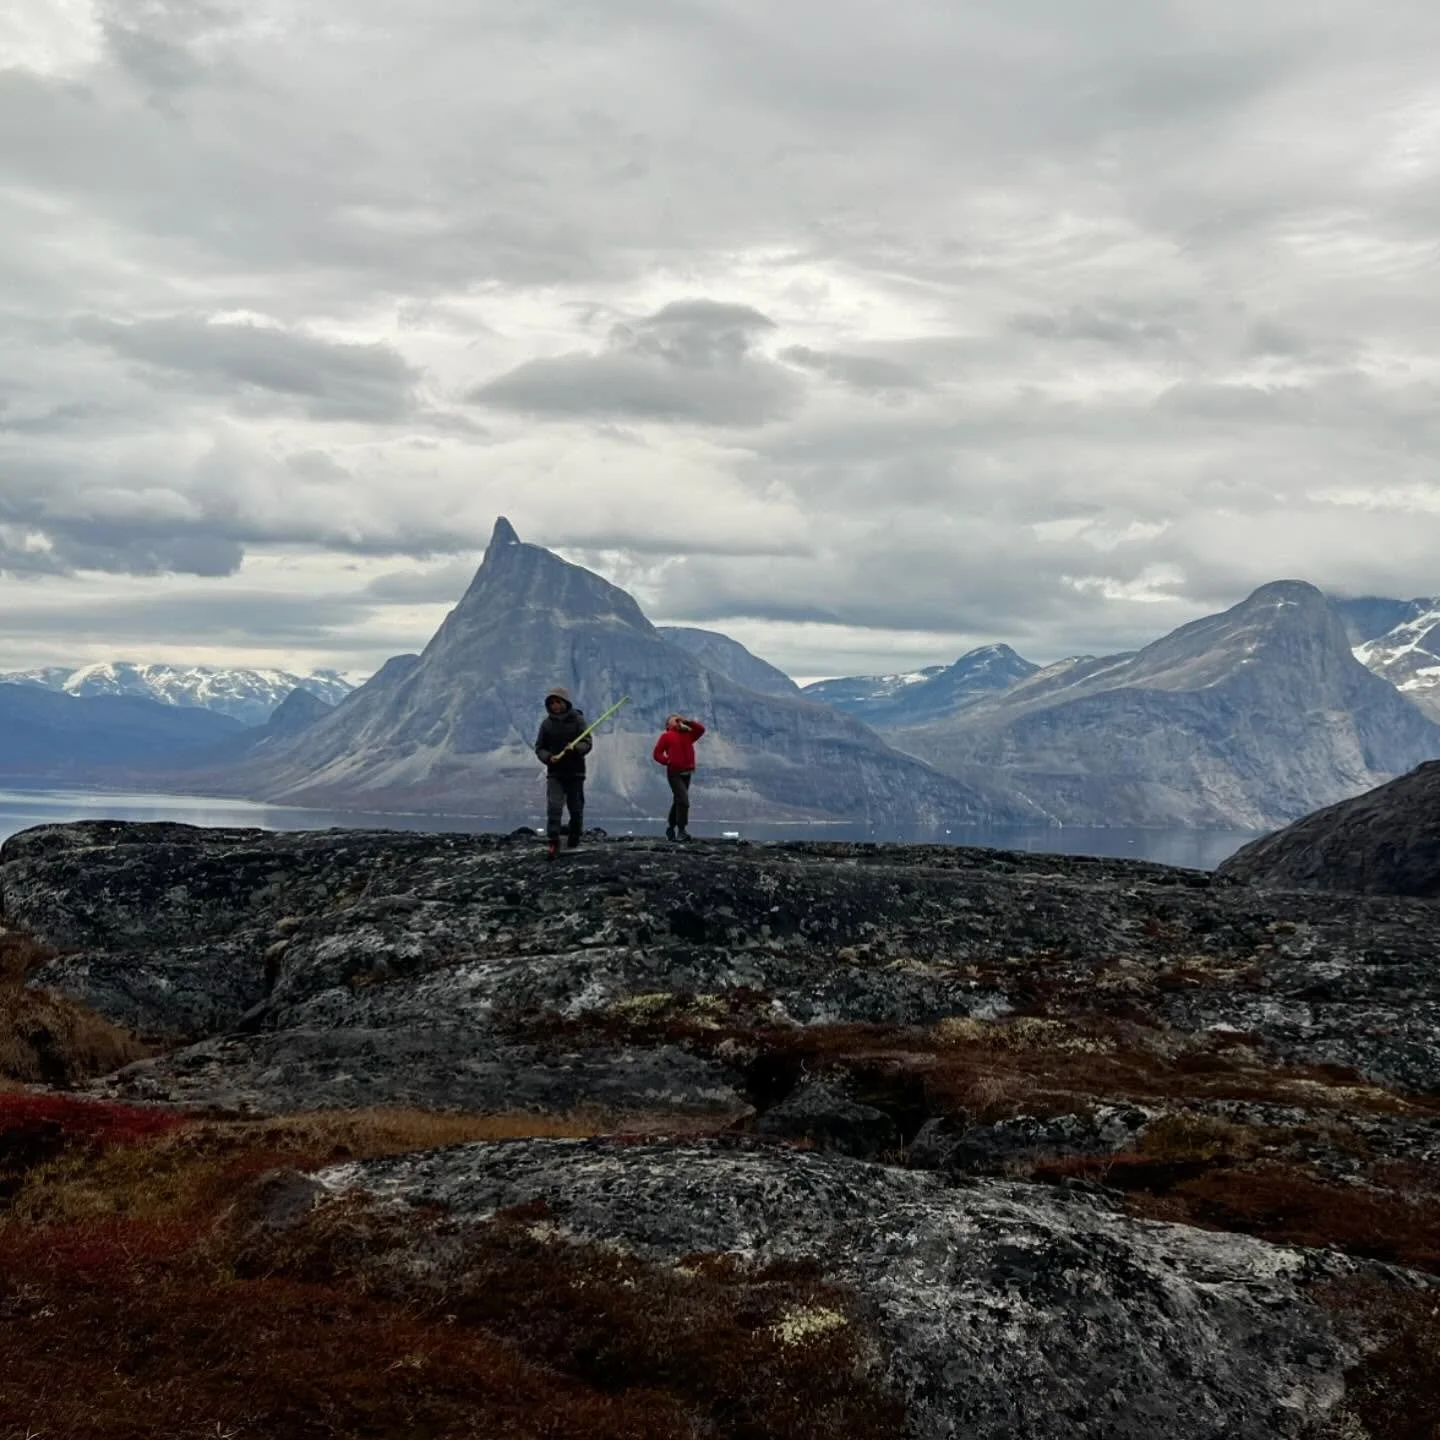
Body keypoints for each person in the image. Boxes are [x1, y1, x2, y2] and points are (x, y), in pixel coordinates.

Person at [535, 686, 591, 857]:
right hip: (555, 773)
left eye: (558, 702)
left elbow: (587, 742)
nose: (555, 706)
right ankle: (553, 841)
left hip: (575, 772)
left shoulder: (578, 720)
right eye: (552, 703)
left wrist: (575, 749)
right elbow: (540, 748)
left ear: (565, 703)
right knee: (554, 806)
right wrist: (548, 757)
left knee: (575, 808)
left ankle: (574, 837)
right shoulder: (546, 724)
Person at [653, 712, 706, 841]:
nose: (677, 721)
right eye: (674, 720)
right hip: (674, 773)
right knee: (683, 801)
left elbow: (701, 729)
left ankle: (671, 828)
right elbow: (657, 753)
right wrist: (667, 761)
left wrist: (687, 721)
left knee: (678, 800)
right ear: (668, 724)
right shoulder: (666, 736)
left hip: (687, 772)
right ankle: (681, 830)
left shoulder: (688, 734)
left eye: (678, 719)